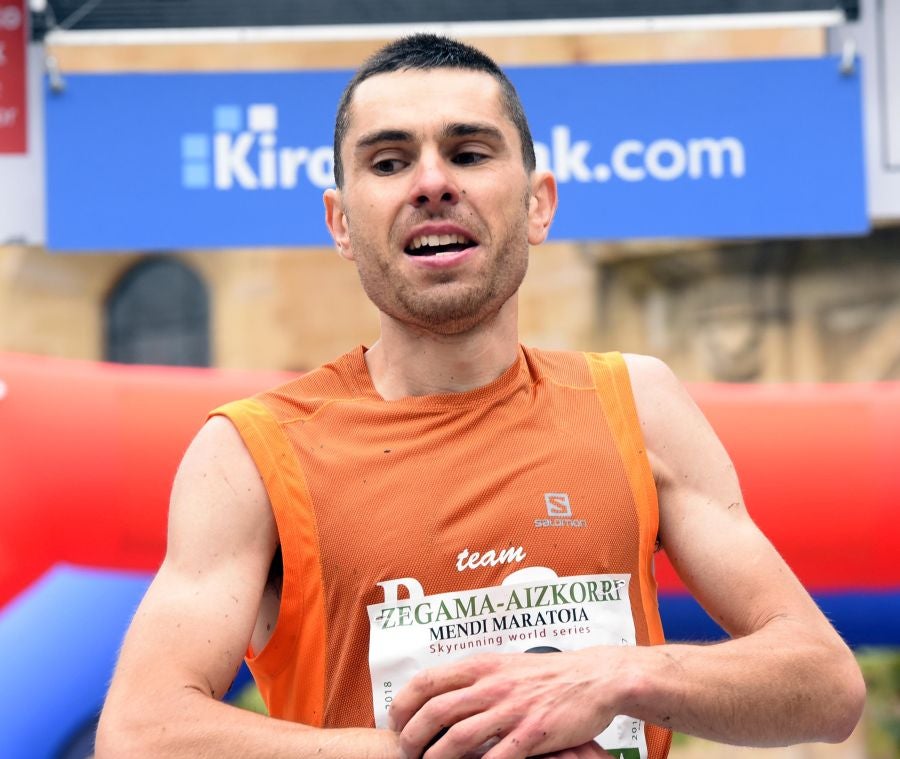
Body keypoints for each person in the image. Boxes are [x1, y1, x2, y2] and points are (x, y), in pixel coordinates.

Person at [96, 34, 864, 759]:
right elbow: (139, 731)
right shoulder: (249, 451)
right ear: (340, 221)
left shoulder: (637, 400)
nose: (433, 182)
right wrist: (433, 746)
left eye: (467, 152)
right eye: (390, 162)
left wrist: (614, 675)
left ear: (538, 203)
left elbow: (825, 683)